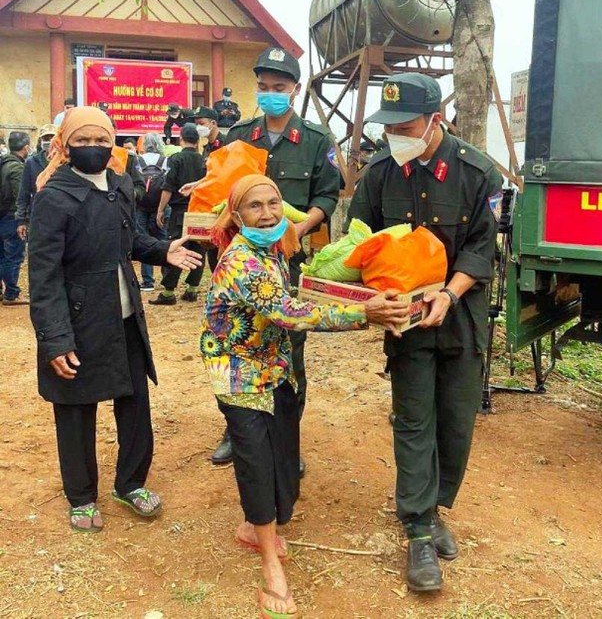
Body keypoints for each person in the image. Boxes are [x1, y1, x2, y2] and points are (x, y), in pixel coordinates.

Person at [203, 174, 409, 617]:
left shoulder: (272, 249)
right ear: (237, 217)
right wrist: (363, 312)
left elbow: (289, 298)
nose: (268, 213)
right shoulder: (242, 261)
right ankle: (271, 567)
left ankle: (253, 526)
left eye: (274, 202)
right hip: (238, 374)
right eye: (255, 207)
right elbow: (288, 311)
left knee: (282, 458)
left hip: (274, 367)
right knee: (257, 461)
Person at [346, 73, 503, 592]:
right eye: (387, 127)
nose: (395, 135)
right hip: (405, 322)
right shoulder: (378, 175)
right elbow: (359, 245)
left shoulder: (475, 172)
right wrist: (371, 300)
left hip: (458, 313)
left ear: (435, 119)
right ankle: (417, 527)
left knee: (456, 421)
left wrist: (449, 293)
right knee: (414, 418)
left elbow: (482, 247)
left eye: (405, 125)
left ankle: (436, 510)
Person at [28, 106, 202, 532]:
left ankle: (131, 483)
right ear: (65, 146)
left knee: (134, 401)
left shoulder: (120, 185)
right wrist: (55, 339)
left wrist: (163, 251)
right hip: (78, 319)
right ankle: (82, 496)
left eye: (100, 140)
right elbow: (44, 276)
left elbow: (130, 240)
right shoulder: (53, 195)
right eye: (82, 141)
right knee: (75, 407)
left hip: (123, 316)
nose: (93, 148)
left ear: (113, 143)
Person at [211, 47, 341, 473]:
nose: (270, 95)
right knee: (237, 343)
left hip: (287, 264)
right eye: (263, 88)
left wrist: (298, 230)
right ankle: (236, 430)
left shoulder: (317, 141)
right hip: (240, 265)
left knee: (288, 349)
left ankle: (287, 439)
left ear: (296, 90)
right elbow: (222, 195)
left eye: (279, 88)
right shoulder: (238, 136)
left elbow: (327, 195)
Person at [149, 124, 206, 305]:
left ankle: (168, 292)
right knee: (198, 250)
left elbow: (168, 187)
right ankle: (192, 290)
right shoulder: (204, 160)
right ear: (197, 141)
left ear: (181, 139)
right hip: (199, 212)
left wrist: (160, 210)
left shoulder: (176, 159)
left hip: (180, 213)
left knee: (175, 247)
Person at [136, 133, 170, 291]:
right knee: (163, 240)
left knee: (143, 240)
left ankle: (148, 281)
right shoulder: (165, 161)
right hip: (160, 206)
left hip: (141, 205)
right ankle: (167, 278)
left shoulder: (138, 160)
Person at [0, 131, 30, 305]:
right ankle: (11, 294)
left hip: (2, 215)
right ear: (26, 148)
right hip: (11, 218)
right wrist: (23, 220)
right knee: (13, 256)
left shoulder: (3, 163)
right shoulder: (18, 168)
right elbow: (21, 197)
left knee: (2, 256)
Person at [15, 125, 57, 241]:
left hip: (61, 215)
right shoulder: (32, 163)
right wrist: (21, 220)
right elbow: (23, 193)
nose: (49, 142)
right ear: (40, 141)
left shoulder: (65, 162)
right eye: (46, 139)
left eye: (52, 137)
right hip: (38, 217)